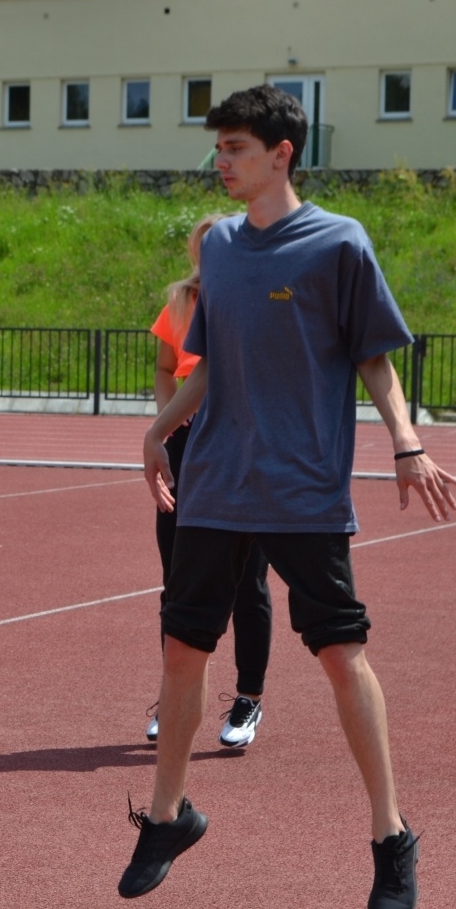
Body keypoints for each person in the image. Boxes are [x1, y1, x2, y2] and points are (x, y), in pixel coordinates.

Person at [117, 86, 456, 909]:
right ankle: (167, 816)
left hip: (304, 488)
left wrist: (406, 441)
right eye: (218, 148)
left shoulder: (339, 242)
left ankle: (390, 834)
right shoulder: (220, 249)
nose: (220, 162)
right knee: (182, 648)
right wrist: (157, 431)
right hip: (216, 483)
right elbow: (209, 366)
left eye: (235, 147)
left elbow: (375, 357)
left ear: (282, 154)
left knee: (341, 653)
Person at [146, 212, 273, 750]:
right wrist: (168, 422)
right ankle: (176, 693)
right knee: (177, 577)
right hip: (186, 445)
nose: (211, 252)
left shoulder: (258, 298)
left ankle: (248, 698)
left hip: (245, 447)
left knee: (247, 580)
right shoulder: (180, 303)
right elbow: (165, 368)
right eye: (204, 244)